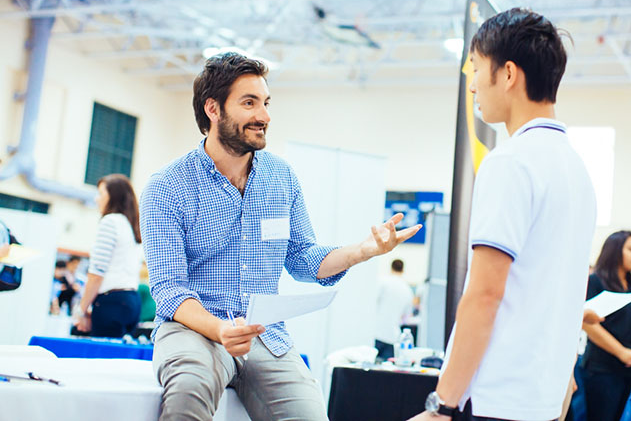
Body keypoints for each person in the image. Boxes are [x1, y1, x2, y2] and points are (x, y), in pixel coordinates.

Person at [139, 52, 421, 421]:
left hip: (263, 334)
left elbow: (303, 259)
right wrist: (221, 329)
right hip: (195, 330)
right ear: (213, 109)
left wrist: (362, 251)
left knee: (310, 414)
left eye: (266, 103)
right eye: (249, 103)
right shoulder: (167, 187)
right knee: (188, 390)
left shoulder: (281, 177)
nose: (264, 116)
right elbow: (169, 290)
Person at [409, 8, 597, 421]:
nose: (473, 85)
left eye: (477, 69)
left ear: (508, 74)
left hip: (500, 396)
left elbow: (485, 294)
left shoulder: (510, 162)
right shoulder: (576, 168)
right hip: (543, 397)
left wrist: (442, 404)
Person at [581, 231, 631, 421]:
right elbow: (587, 323)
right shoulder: (595, 281)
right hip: (603, 370)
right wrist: (621, 352)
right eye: (630, 249)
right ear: (614, 251)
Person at [73, 174, 142, 338]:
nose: (97, 199)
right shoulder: (131, 225)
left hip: (112, 302)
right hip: (132, 301)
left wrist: (81, 310)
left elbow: (97, 272)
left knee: (102, 360)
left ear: (114, 197)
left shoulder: (110, 222)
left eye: (101, 194)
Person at [374, 258, 414, 360]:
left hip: (376, 332)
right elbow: (406, 317)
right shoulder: (408, 290)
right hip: (393, 337)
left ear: (391, 267)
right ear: (403, 270)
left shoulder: (383, 282)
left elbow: (372, 303)